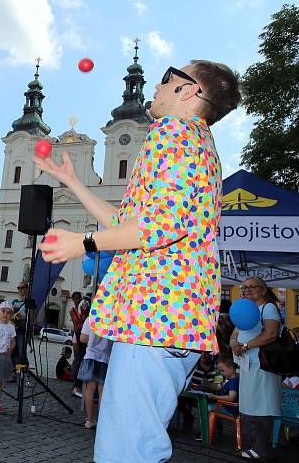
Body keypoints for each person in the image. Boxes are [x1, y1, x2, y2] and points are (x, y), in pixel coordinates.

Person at [35, 60, 241, 463]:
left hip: (154, 319)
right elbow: (127, 224)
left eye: (168, 76)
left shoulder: (176, 133)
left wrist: (84, 243)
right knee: (135, 445)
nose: (159, 83)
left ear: (188, 92)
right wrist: (75, 183)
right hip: (163, 321)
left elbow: (160, 226)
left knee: (125, 451)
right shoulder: (196, 143)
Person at [231, 276, 283, 461]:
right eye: (245, 287)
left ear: (263, 289)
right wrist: (233, 343)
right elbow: (236, 332)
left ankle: (262, 449)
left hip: (263, 364)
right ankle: (258, 447)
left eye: (253, 287)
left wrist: (245, 346)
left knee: (263, 407)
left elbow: (271, 334)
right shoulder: (246, 309)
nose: (248, 289)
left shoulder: (268, 307)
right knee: (253, 407)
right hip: (248, 364)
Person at [78, 315, 112, 429]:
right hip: (105, 358)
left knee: (90, 389)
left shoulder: (90, 319)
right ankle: (102, 421)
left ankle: (90, 420)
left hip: (91, 356)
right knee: (102, 390)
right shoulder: (111, 319)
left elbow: (82, 338)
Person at [70, 291, 90, 397]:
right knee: (79, 359)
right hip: (79, 334)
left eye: (79, 298)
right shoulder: (74, 310)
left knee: (80, 359)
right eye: (75, 298)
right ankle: (76, 383)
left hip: (81, 333)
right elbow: (76, 325)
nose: (77, 301)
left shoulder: (82, 308)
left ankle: (77, 384)